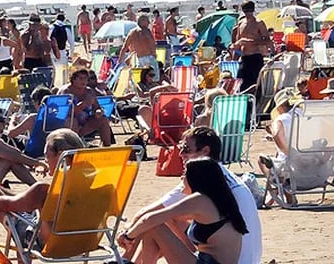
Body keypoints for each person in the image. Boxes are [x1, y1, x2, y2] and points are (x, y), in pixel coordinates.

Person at [125, 127, 262, 264]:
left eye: (186, 149)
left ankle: (123, 261)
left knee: (155, 224)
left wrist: (128, 236)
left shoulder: (199, 186)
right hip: (244, 257)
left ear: (205, 151)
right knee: (165, 222)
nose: (180, 154)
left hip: (228, 259)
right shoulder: (220, 179)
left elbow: (147, 216)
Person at [119, 157, 249, 264]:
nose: (181, 179)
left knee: (154, 225)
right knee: (160, 222)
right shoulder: (217, 199)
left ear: (196, 179)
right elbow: (165, 218)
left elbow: (149, 218)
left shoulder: (199, 200)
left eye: (184, 174)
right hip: (207, 259)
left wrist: (128, 236)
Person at [0, 128, 85, 239]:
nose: (45, 160)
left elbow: (10, 204)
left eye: (46, 155)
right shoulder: (93, 184)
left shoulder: (43, 190)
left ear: (60, 155)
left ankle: (20, 250)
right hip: (83, 240)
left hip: (45, 241)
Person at [59, 68, 113, 146]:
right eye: (81, 78)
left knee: (103, 119)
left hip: (85, 123)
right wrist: (83, 104)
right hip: (67, 123)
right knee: (72, 121)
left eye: (85, 79)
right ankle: (75, 148)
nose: (84, 81)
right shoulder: (66, 92)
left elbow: (97, 107)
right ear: (73, 79)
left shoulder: (89, 91)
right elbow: (65, 113)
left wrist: (98, 112)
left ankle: (107, 147)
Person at [232, 1, 271, 94]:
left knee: (255, 85)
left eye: (249, 11)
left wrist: (251, 42)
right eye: (245, 11)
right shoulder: (241, 23)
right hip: (244, 57)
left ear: (253, 11)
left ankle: (255, 104)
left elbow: (267, 41)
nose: (247, 13)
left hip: (255, 57)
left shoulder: (258, 23)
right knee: (240, 84)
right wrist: (234, 58)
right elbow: (238, 43)